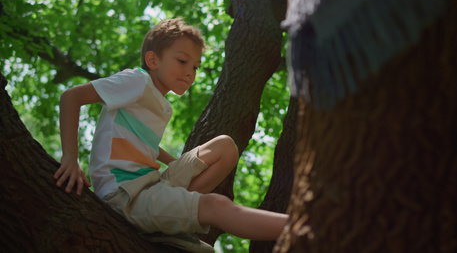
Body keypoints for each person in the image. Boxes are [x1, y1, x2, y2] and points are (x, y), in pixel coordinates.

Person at [53, 18, 288, 252]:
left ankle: (167, 223)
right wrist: (70, 159)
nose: (190, 72)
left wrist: (179, 165)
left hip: (150, 184)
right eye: (182, 61)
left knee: (225, 147)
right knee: (215, 205)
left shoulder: (158, 102)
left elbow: (146, 146)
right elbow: (71, 97)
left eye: (195, 66)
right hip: (125, 196)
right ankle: (304, 227)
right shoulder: (137, 81)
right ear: (153, 60)